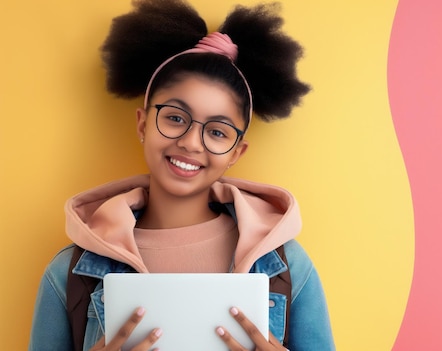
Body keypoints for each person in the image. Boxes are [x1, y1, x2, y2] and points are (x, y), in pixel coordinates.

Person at [28, 0, 335, 350]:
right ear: (143, 123)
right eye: (175, 117)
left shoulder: (288, 267)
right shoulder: (70, 273)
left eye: (217, 132)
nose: (190, 142)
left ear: (237, 153)